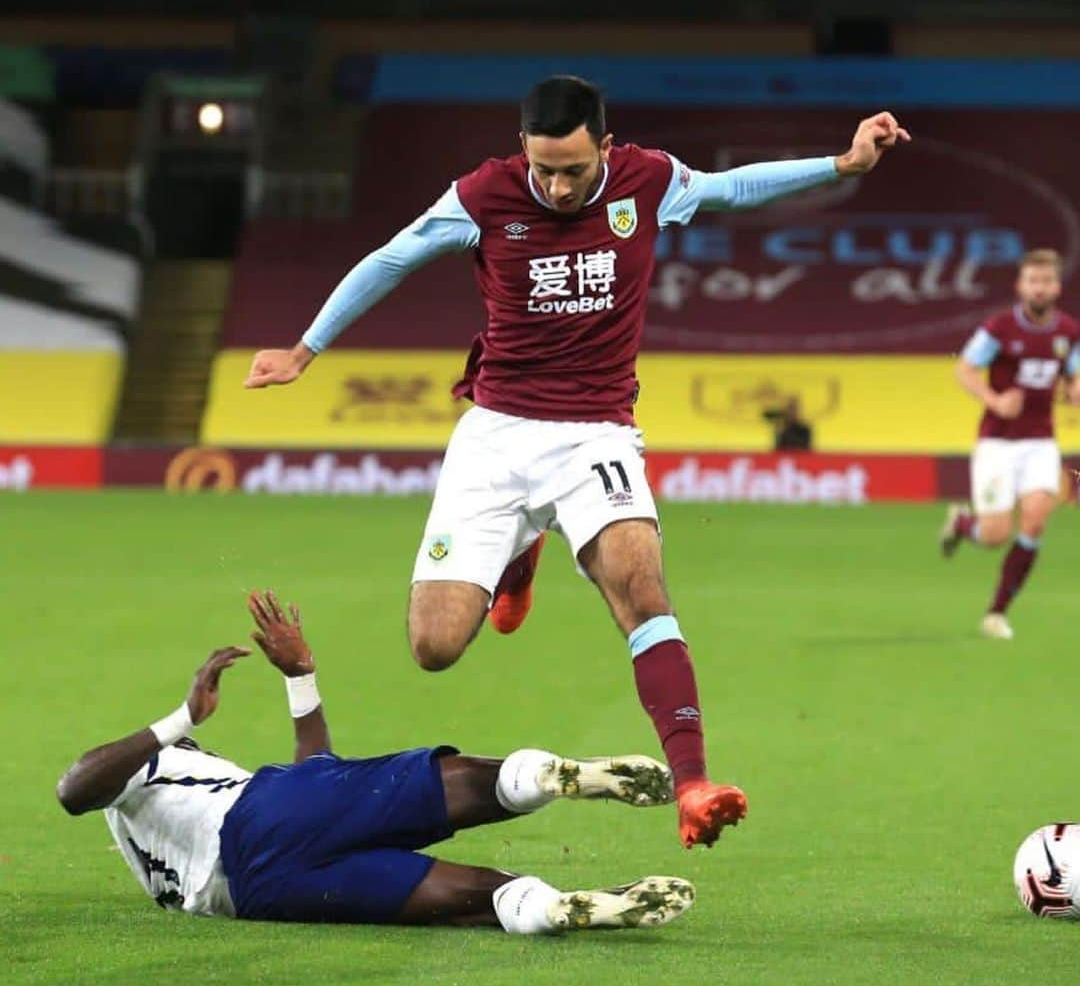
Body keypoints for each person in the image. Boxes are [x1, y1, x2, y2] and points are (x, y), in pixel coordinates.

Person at [244, 75, 910, 846]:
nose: (557, 187)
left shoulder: (648, 180)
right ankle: (522, 552)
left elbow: (732, 188)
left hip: (596, 434)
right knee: (434, 647)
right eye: (543, 169)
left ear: (605, 142)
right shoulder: (482, 196)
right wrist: (305, 349)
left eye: (573, 170)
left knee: (643, 591)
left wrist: (842, 164)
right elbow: (391, 260)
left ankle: (693, 782)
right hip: (495, 436)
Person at [55, 591, 693, 934]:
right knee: (460, 786)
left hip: (261, 894)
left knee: (468, 901)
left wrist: (300, 679)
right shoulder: (146, 771)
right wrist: (180, 722)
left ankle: (551, 909)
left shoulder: (160, 850)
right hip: (256, 822)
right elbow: (75, 786)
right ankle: (547, 776)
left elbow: (315, 775)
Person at [940, 248, 1080, 640]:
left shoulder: (1068, 331)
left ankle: (996, 614)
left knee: (1036, 519)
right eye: (1032, 281)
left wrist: (1075, 389)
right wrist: (995, 400)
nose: (1039, 288)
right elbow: (964, 369)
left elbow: (1074, 375)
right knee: (995, 535)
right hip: (997, 443)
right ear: (1021, 286)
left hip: (1040, 441)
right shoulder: (999, 328)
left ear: (1056, 286)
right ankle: (963, 524)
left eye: (1046, 281)